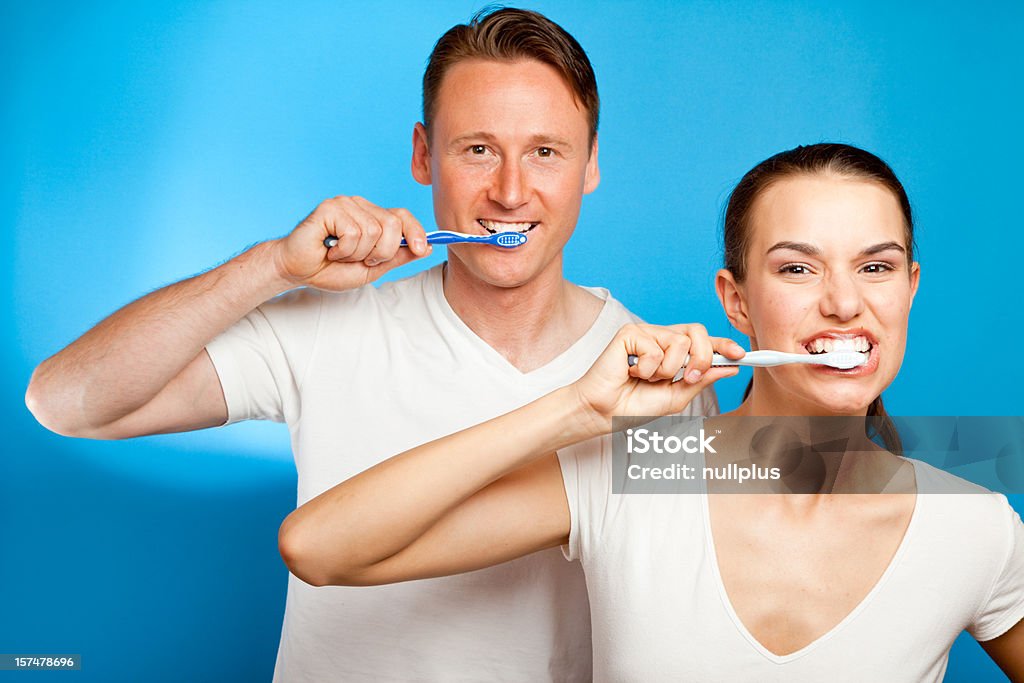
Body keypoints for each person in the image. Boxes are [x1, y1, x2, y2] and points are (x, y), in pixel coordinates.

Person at [24, 7, 723, 681]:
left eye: (545, 152)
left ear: (591, 165)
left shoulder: (661, 378)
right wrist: (271, 266)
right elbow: (66, 401)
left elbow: (702, 599)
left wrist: (822, 445)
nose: (511, 191)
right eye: (478, 149)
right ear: (424, 155)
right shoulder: (333, 324)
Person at [279, 143, 1024, 682]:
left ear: (910, 286)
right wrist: (576, 407)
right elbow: (319, 546)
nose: (844, 301)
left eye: (876, 266)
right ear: (736, 300)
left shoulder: (975, 525)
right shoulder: (640, 473)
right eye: (797, 267)